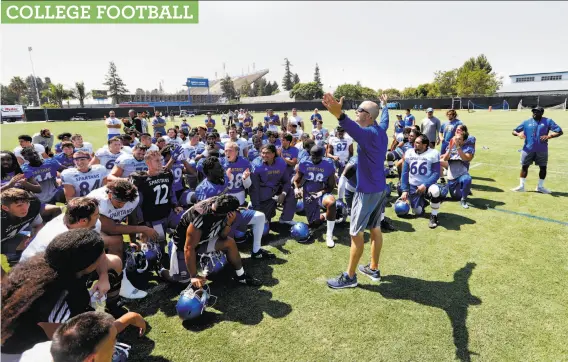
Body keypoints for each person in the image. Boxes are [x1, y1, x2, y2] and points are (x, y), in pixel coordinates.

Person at [1, 229, 124, 357]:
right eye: (99, 255)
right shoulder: (61, 297)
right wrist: (123, 324)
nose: (102, 257)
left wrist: (104, 276)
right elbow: (65, 338)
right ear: (86, 264)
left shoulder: (53, 263)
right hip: (22, 351)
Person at [322, 93, 389, 289]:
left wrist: (338, 114)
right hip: (379, 188)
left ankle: (349, 277)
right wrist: (384, 105)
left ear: (368, 116)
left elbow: (349, 126)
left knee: (355, 233)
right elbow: (384, 118)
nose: (356, 112)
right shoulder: (379, 129)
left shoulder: (367, 134)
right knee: (375, 228)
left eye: (359, 110)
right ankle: (373, 268)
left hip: (367, 191)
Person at [163, 194, 262, 286]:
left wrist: (228, 223)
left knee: (229, 242)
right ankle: (161, 270)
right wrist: (193, 276)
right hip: (183, 244)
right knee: (181, 281)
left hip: (204, 239)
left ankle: (241, 276)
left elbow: (223, 236)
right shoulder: (200, 216)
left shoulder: (222, 206)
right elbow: (188, 248)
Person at [19, 311, 146, 362]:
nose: (114, 347)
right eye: (113, 342)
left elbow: (102, 332)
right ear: (90, 359)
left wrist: (131, 317)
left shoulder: (49, 348)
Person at [130, 150, 183, 242]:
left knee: (186, 225)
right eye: (157, 161)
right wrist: (142, 224)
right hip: (153, 219)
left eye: (161, 160)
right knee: (157, 250)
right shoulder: (141, 180)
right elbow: (137, 205)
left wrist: (175, 205)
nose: (160, 163)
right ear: (148, 162)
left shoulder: (167, 174)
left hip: (168, 214)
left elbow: (171, 192)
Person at [511, 106, 563, 193]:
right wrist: (518, 134)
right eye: (534, 111)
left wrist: (549, 136)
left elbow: (559, 131)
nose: (535, 113)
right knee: (524, 166)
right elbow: (514, 131)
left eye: (537, 112)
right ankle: (521, 186)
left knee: (543, 168)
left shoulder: (548, 121)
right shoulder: (526, 122)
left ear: (542, 113)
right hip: (527, 149)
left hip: (542, 149)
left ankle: (540, 187)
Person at [294, 146, 337, 247]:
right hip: (308, 195)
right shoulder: (305, 162)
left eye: (317, 158)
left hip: (322, 193)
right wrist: (296, 189)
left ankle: (329, 235)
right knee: (314, 224)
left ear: (323, 156)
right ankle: (329, 215)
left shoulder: (329, 164)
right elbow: (296, 180)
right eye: (313, 157)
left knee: (331, 202)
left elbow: (331, 187)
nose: (315, 160)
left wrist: (319, 193)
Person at [400, 134, 442, 228]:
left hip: (427, 184)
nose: (415, 144)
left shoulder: (433, 153)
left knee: (435, 191)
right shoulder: (409, 152)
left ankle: (434, 215)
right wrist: (404, 190)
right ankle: (423, 202)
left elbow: (436, 173)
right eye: (415, 142)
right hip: (413, 185)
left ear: (425, 145)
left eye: (418, 143)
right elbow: (405, 172)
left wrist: (425, 185)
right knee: (417, 212)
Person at [250, 144, 296, 225]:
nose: (264, 155)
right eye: (262, 153)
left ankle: (286, 218)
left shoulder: (280, 162)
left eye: (267, 153)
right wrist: (257, 208)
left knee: (291, 192)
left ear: (273, 154)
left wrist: (283, 194)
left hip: (276, 189)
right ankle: (252, 206)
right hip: (264, 194)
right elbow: (254, 189)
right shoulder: (256, 165)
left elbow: (287, 181)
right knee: (264, 224)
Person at [1, 189, 43, 275]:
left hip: (8, 238)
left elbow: (38, 225)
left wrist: (33, 238)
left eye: (27, 203)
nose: (25, 208)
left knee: (37, 243)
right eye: (19, 205)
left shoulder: (33, 205)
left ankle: (14, 258)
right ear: (5, 208)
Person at [441, 127, 475, 208]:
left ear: (464, 141)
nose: (457, 140)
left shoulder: (468, 148)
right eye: (456, 138)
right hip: (452, 178)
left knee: (467, 179)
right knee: (456, 197)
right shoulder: (451, 146)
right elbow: (445, 159)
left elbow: (466, 159)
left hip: (462, 174)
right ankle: (464, 190)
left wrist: (457, 147)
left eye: (459, 139)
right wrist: (450, 148)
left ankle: (464, 199)